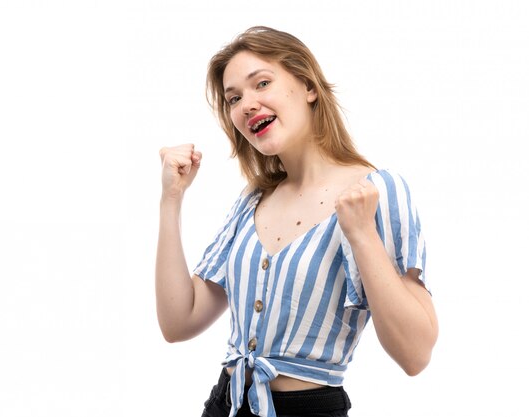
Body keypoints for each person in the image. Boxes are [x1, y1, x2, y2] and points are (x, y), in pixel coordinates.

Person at [156, 26, 438, 417]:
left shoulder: (375, 190)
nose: (246, 105)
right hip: (227, 403)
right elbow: (178, 322)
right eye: (234, 98)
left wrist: (361, 235)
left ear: (307, 86)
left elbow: (415, 355)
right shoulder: (253, 200)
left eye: (262, 83)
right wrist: (172, 199)